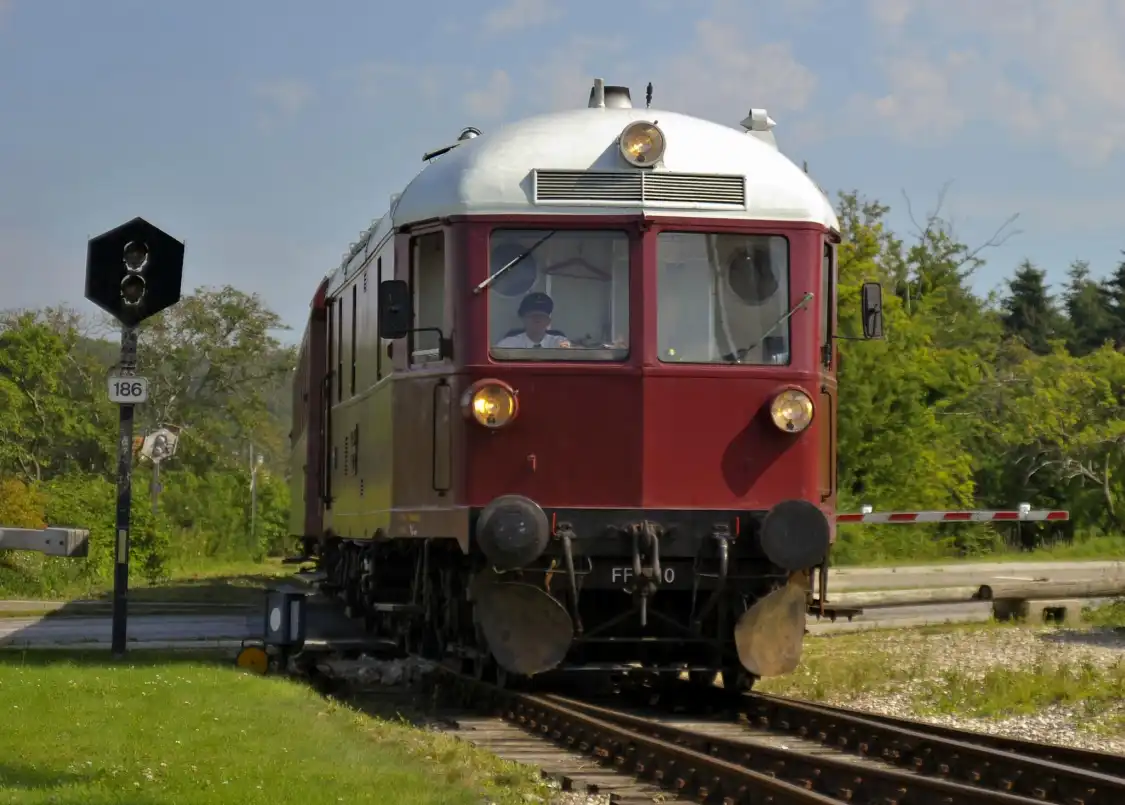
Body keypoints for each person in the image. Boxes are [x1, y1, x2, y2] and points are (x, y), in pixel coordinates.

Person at [495, 292, 571, 348]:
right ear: (524, 320)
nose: (537, 320)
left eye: (541, 317)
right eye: (533, 316)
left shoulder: (558, 341)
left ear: (548, 321)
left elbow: (573, 351)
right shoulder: (509, 343)